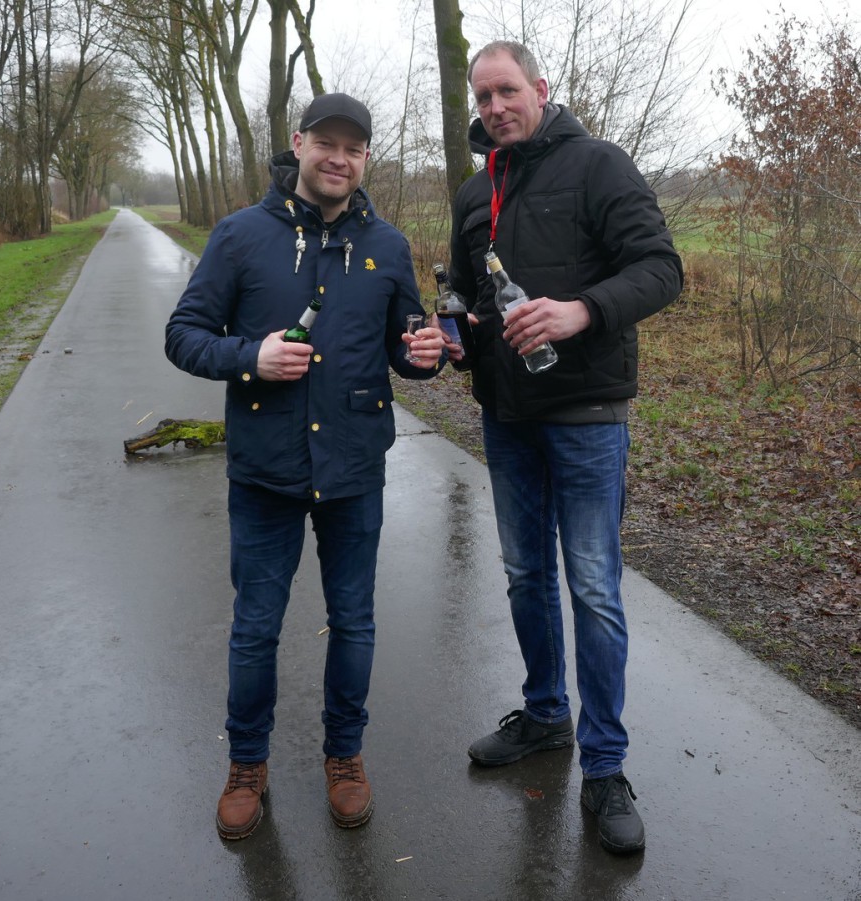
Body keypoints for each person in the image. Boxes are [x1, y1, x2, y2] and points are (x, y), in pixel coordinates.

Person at [165, 93, 446, 840]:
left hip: (354, 469)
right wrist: (249, 356)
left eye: (354, 149)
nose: (339, 159)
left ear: (365, 159)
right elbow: (184, 334)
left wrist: (424, 355)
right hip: (266, 471)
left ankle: (344, 756)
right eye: (327, 143)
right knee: (256, 626)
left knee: (353, 620)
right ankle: (246, 764)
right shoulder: (240, 236)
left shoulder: (388, 245)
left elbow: (404, 346)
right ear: (298, 144)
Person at [445, 41, 683, 855]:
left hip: (585, 415)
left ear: (540, 88)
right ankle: (546, 713)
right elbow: (470, 298)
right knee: (524, 575)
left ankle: (605, 765)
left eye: (507, 90)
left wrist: (582, 310)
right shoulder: (475, 191)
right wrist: (453, 339)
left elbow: (661, 269)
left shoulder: (599, 165)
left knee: (593, 587)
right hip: (507, 417)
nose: (495, 107)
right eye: (483, 96)